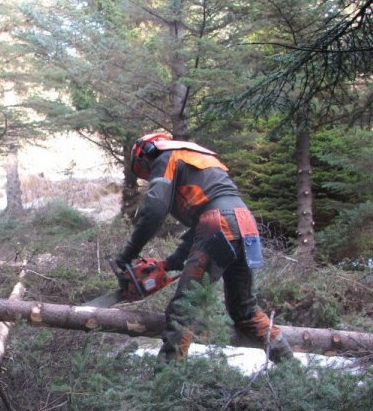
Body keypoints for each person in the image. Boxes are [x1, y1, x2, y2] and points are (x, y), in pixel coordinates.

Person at [113, 131, 294, 363]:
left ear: (145, 155)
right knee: (245, 310)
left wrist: (128, 253)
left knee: (183, 310)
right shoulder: (197, 159)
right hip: (245, 222)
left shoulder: (166, 157)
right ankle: (291, 367)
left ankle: (166, 377)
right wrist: (171, 262)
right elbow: (208, 220)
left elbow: (154, 212)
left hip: (218, 224)